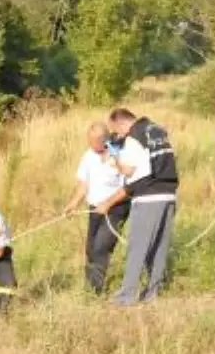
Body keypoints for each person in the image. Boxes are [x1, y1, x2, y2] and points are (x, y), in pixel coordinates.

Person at [95, 108, 178, 306]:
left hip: (148, 196)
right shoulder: (156, 130)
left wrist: (116, 162)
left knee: (138, 246)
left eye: (117, 130)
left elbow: (131, 171)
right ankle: (153, 291)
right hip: (169, 194)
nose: (119, 135)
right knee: (159, 245)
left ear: (121, 123)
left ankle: (126, 295)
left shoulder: (134, 138)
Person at [65, 122, 130, 294]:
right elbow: (83, 184)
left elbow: (128, 188)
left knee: (101, 247)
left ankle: (95, 291)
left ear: (104, 140)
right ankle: (91, 285)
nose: (90, 145)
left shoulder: (120, 155)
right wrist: (73, 203)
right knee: (91, 248)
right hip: (94, 209)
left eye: (93, 142)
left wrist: (107, 204)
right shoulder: (88, 156)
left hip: (116, 209)